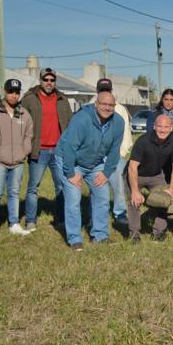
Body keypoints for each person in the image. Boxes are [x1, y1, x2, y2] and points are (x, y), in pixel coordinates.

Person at [55, 91, 124, 250]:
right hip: (70, 160)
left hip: (95, 163)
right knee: (73, 199)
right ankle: (74, 238)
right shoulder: (82, 119)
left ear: (115, 106)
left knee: (103, 197)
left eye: (110, 105)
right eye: (103, 104)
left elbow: (114, 150)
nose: (107, 108)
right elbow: (70, 147)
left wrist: (106, 172)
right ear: (96, 104)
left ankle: (100, 235)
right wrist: (71, 173)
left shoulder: (118, 122)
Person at [20, 67, 73, 231]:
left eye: (52, 80)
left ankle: (61, 220)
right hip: (38, 150)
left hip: (59, 151)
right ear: (40, 80)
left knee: (62, 187)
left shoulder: (62, 99)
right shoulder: (29, 99)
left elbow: (70, 124)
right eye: (46, 79)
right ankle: (30, 220)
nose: (49, 83)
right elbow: (20, 124)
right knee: (33, 187)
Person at [0, 79, 33, 238]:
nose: (14, 95)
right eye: (11, 91)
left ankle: (14, 223)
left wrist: (24, 151)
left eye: (17, 92)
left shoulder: (24, 113)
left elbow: (29, 135)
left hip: (17, 162)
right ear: (5, 92)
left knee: (14, 193)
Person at [125, 114, 173, 242]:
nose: (163, 130)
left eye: (166, 127)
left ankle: (158, 232)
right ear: (154, 126)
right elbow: (132, 167)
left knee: (165, 198)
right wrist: (135, 191)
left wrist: (171, 189)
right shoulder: (142, 141)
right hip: (137, 174)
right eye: (160, 126)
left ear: (171, 128)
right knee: (135, 201)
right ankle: (134, 234)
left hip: (156, 174)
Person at [94, 78, 134, 229]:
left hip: (116, 155)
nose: (105, 92)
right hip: (96, 156)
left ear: (111, 91)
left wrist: (122, 154)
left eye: (107, 90)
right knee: (97, 184)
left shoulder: (120, 109)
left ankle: (120, 212)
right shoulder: (91, 107)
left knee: (119, 184)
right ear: (97, 92)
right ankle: (97, 215)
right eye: (102, 90)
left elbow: (126, 135)